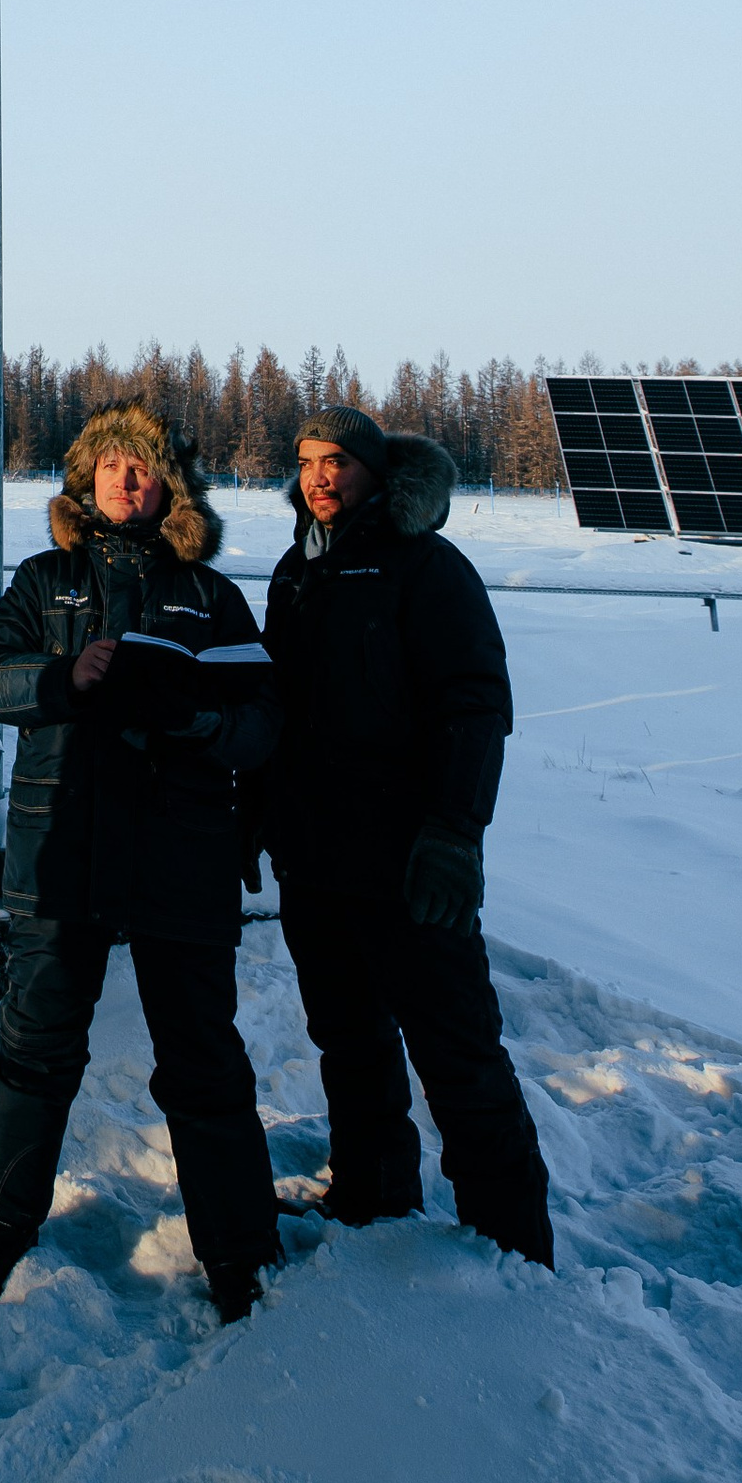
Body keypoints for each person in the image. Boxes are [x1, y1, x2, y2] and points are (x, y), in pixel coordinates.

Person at [0, 404, 283, 1321]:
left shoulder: (208, 598)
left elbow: (262, 721)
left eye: (143, 470)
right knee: (35, 1042)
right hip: (64, 845)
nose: (127, 484)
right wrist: (63, 679)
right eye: (111, 469)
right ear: (85, 482)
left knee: (201, 1053)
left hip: (181, 850)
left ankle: (240, 1248)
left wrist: (200, 724)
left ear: (171, 488)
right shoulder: (47, 580)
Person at [253, 407, 553, 1266]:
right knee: (348, 1044)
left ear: (378, 473)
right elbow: (281, 712)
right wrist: (258, 817)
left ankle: (512, 1241)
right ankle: (372, 1196)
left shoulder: (427, 568)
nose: (319, 476)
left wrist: (455, 833)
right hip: (314, 860)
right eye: (307, 459)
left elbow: (475, 707)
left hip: (409, 863)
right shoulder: (295, 572)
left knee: (458, 1054)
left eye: (338, 461)